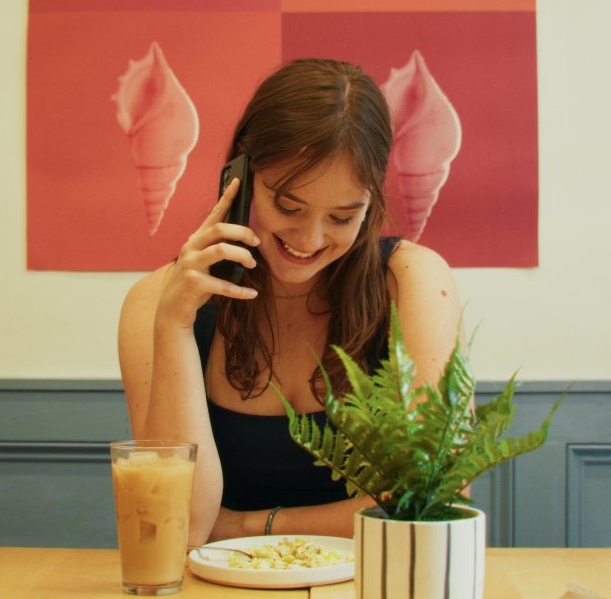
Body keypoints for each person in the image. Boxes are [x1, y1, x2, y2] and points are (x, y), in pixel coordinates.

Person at [118, 58, 462, 544]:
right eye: (288, 206)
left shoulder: (410, 281)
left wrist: (247, 526)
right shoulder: (156, 301)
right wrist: (174, 326)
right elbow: (180, 528)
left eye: (343, 217)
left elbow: (435, 498)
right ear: (239, 172)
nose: (310, 238)